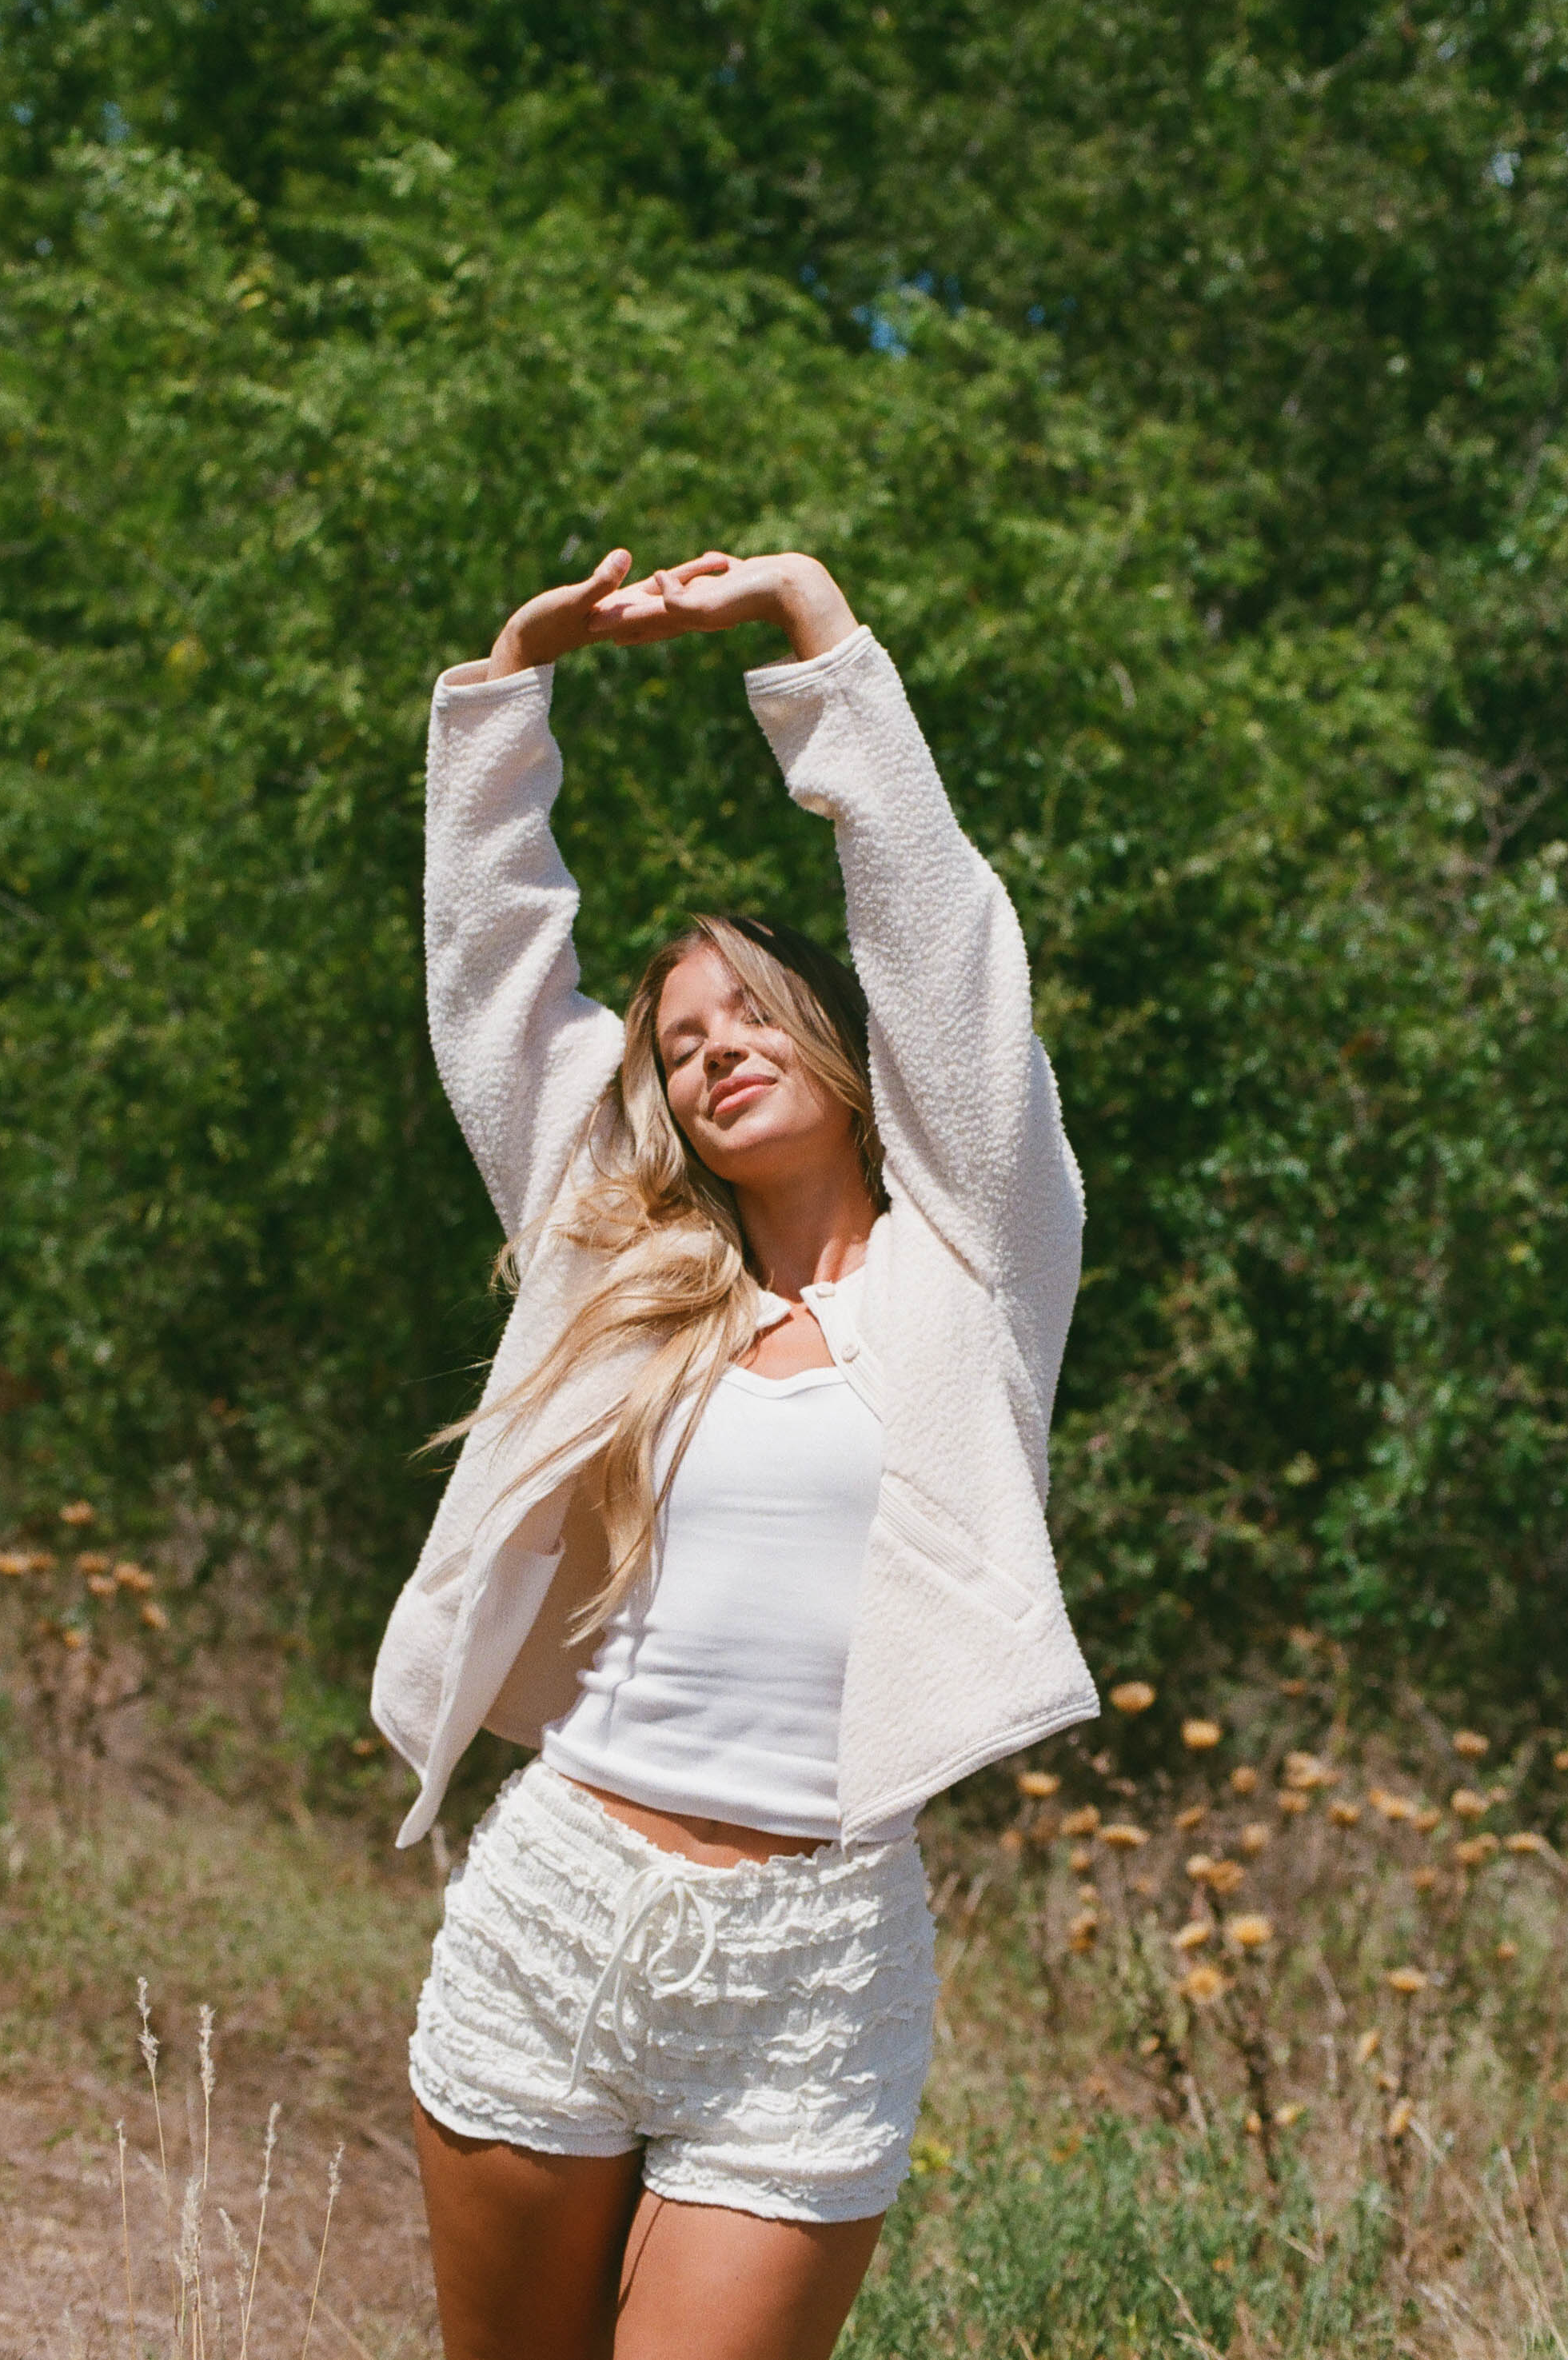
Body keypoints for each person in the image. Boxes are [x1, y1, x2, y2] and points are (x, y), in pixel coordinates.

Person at [371, 548, 1099, 2360]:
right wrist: (506, 688)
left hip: (814, 1958)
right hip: (559, 1902)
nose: (713, 1056)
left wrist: (817, 635)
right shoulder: (619, 1259)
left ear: (842, 1044)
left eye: (753, 1014)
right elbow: (495, 991)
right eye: (681, 1044)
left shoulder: (974, 1270)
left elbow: (949, 958)